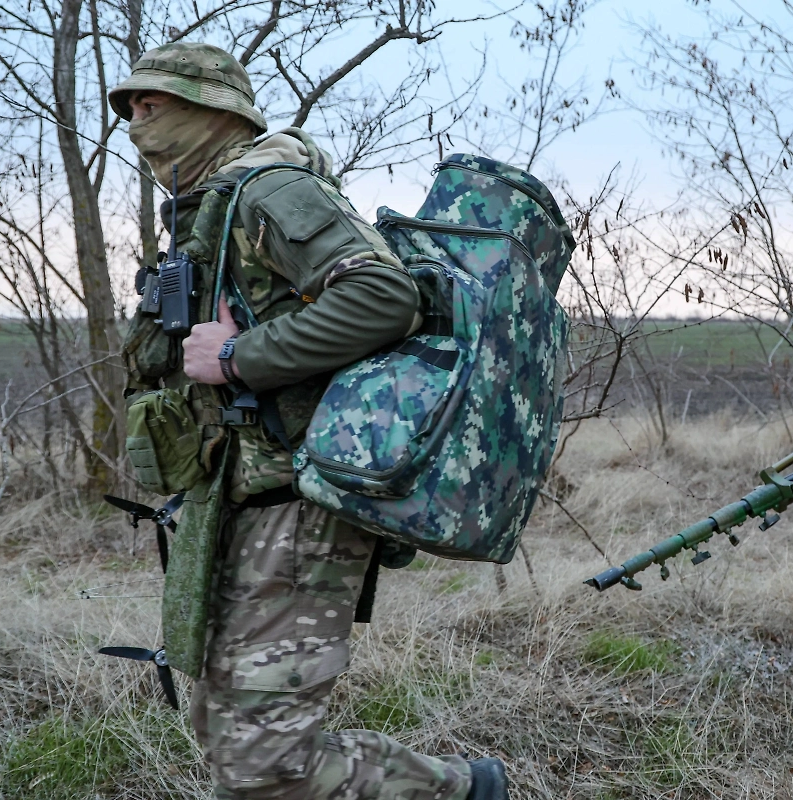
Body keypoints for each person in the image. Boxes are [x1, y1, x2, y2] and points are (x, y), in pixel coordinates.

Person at [109, 42, 507, 800]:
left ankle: (466, 791)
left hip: (300, 504)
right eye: (129, 104)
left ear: (218, 108)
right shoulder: (209, 210)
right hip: (237, 503)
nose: (137, 113)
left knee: (262, 765)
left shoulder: (270, 189)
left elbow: (383, 298)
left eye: (155, 97)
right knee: (224, 734)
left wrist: (237, 358)